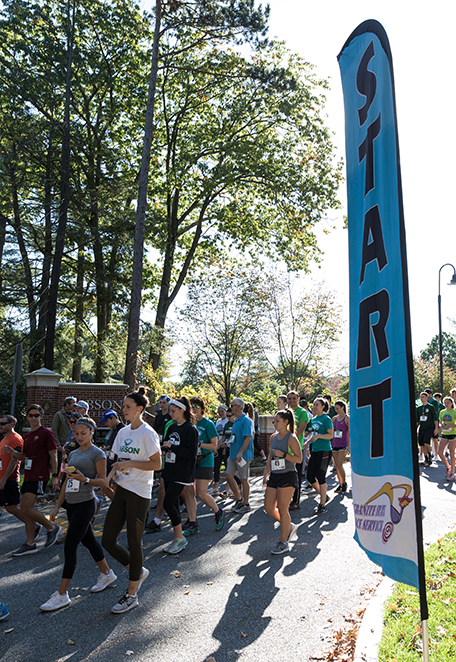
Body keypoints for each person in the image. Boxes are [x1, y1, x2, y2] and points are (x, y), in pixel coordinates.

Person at [39, 417, 117, 612]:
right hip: (71, 504)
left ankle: (62, 594)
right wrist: (57, 506)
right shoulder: (73, 454)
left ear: (92, 432)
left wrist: (86, 479)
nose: (80, 436)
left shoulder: (97, 453)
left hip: (86, 504)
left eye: (84, 433)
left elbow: (103, 482)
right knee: (89, 541)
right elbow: (67, 481)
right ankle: (107, 574)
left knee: (70, 545)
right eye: (77, 433)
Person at [101, 387, 161, 614]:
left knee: (134, 543)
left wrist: (131, 464)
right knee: (107, 540)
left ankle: (132, 594)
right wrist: (109, 476)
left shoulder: (147, 433)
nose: (123, 410)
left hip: (139, 492)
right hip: (122, 489)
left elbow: (157, 464)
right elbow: (116, 460)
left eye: (127, 407)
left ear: (140, 409)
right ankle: (138, 570)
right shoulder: (123, 433)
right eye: (123, 406)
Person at [4, 405, 61, 555]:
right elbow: (24, 457)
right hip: (29, 476)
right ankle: (30, 543)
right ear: (27, 417)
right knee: (26, 509)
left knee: (25, 508)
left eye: (36, 415)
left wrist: (55, 476)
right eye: (31, 415)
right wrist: (12, 452)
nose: (34, 418)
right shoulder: (28, 436)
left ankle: (51, 527)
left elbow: (53, 455)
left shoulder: (46, 434)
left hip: (40, 475)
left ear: (41, 417)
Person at [181, 397, 224, 536]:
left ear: (202, 408)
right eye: (191, 406)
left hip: (205, 460)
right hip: (190, 461)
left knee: (201, 493)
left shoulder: (208, 424)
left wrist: (198, 444)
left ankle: (218, 512)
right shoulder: (188, 424)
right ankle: (192, 522)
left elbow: (214, 445)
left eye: (196, 406)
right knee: (188, 492)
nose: (194, 408)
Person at [161, 397, 199, 554]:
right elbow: (167, 443)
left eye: (173, 411)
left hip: (182, 472)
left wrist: (173, 448)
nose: (170, 414)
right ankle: (177, 538)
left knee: (167, 503)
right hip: (169, 470)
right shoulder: (171, 427)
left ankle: (180, 538)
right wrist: (164, 448)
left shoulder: (190, 429)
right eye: (170, 411)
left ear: (182, 410)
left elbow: (191, 453)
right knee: (173, 505)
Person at [263, 409, 302, 554]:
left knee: (283, 509)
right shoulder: (273, 437)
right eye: (274, 420)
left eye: (277, 421)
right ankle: (289, 526)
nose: (274, 423)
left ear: (286, 422)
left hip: (288, 476)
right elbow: (270, 455)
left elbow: (299, 459)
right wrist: (266, 472)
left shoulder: (291, 438)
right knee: (268, 507)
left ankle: (284, 542)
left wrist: (284, 455)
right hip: (275, 475)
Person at [225, 398, 253, 514]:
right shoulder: (236, 420)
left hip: (243, 456)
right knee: (228, 475)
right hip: (233, 454)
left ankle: (246, 504)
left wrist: (240, 452)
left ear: (238, 407)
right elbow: (235, 437)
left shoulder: (246, 420)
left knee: (244, 479)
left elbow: (248, 438)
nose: (231, 407)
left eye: (232, 405)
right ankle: (239, 499)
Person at [307, 398, 334, 514]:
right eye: (314, 404)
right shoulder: (313, 420)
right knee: (310, 477)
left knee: (321, 476)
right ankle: (324, 495)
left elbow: (331, 435)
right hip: (315, 451)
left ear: (323, 406)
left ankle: (322, 505)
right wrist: (306, 443)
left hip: (325, 451)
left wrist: (318, 437)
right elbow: (313, 435)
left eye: (317, 405)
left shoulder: (326, 419)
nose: (315, 407)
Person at [0, 415, 27, 528]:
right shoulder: (4, 439)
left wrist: (4, 479)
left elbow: (14, 460)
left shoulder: (16, 438)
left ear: (11, 425)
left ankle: (33, 524)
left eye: (2, 424)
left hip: (9, 479)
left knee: (11, 507)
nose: (0, 426)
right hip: (2, 478)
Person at [286, 391, 309, 509]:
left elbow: (300, 430)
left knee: (297, 475)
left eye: (294, 398)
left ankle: (295, 501)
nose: (292, 400)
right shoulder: (285, 412)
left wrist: (290, 442)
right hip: (285, 448)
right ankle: (287, 499)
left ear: (298, 399)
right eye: (289, 398)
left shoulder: (303, 412)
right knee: (287, 475)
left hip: (296, 448)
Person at [213, 408, 233, 496]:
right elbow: (223, 437)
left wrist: (226, 446)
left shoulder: (236, 424)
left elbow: (234, 438)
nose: (228, 417)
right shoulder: (226, 424)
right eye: (227, 416)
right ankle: (226, 491)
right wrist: (216, 448)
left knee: (232, 473)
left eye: (229, 416)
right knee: (228, 472)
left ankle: (237, 492)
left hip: (233, 451)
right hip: (224, 448)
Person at [52, 397, 76, 466]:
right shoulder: (58, 415)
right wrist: (58, 444)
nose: (74, 406)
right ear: (67, 404)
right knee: (62, 465)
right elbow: (54, 430)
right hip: (62, 444)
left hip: (72, 444)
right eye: (72, 404)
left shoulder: (74, 415)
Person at [416, 392, 438, 467]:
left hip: (429, 427)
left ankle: (429, 455)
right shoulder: (418, 408)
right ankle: (426, 459)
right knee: (422, 444)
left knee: (426, 442)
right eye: (421, 397)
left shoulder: (431, 407)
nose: (422, 398)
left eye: (423, 397)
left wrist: (436, 428)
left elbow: (435, 418)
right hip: (422, 427)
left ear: (427, 397)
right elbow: (417, 420)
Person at [332, 400, 350, 492]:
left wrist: (349, 446)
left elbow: (350, 433)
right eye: (335, 409)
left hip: (343, 444)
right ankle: (340, 483)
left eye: (337, 408)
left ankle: (344, 483)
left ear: (342, 407)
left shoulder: (347, 418)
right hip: (335, 444)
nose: (336, 410)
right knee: (337, 465)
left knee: (339, 464)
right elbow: (331, 432)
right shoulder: (334, 418)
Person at [438, 396, 456, 481]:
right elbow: (440, 423)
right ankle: (448, 467)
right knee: (440, 452)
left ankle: (452, 473)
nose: (446, 404)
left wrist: (450, 426)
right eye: (445, 403)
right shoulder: (442, 412)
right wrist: (441, 426)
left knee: (451, 453)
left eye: (448, 403)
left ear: (451, 403)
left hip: (452, 434)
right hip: (444, 434)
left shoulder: (454, 412)